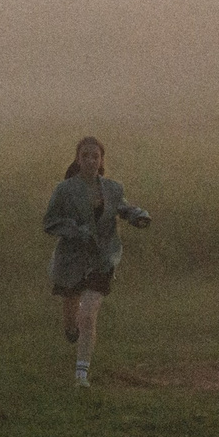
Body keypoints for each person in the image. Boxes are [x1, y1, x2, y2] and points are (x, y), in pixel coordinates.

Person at [42, 135, 149, 386]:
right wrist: (75, 230)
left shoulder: (113, 188)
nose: (90, 160)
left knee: (88, 314)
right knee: (73, 317)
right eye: (85, 156)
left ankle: (81, 376)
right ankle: (70, 328)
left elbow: (121, 208)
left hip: (103, 257)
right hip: (71, 260)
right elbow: (49, 222)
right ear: (77, 160)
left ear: (101, 161)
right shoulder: (64, 190)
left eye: (95, 156)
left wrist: (137, 215)